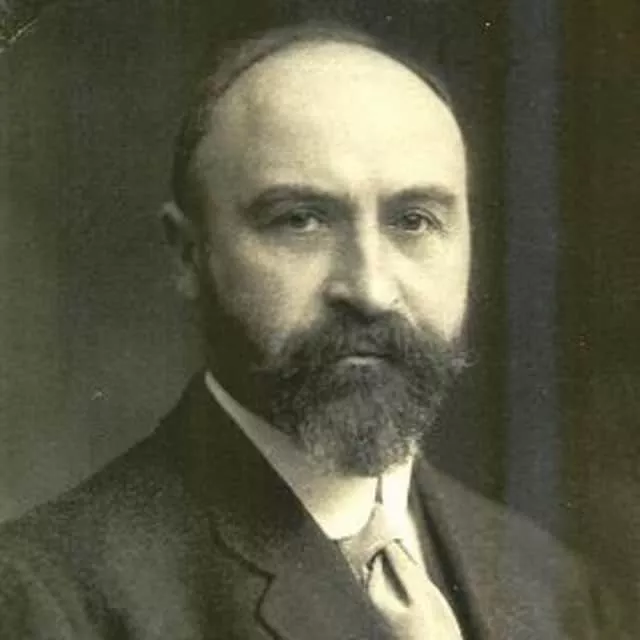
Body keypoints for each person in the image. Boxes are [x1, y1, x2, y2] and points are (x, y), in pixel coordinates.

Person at [0, 21, 602, 640]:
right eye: (300, 221)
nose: (370, 290)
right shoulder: (44, 602)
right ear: (188, 253)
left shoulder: (555, 589)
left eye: (415, 221)